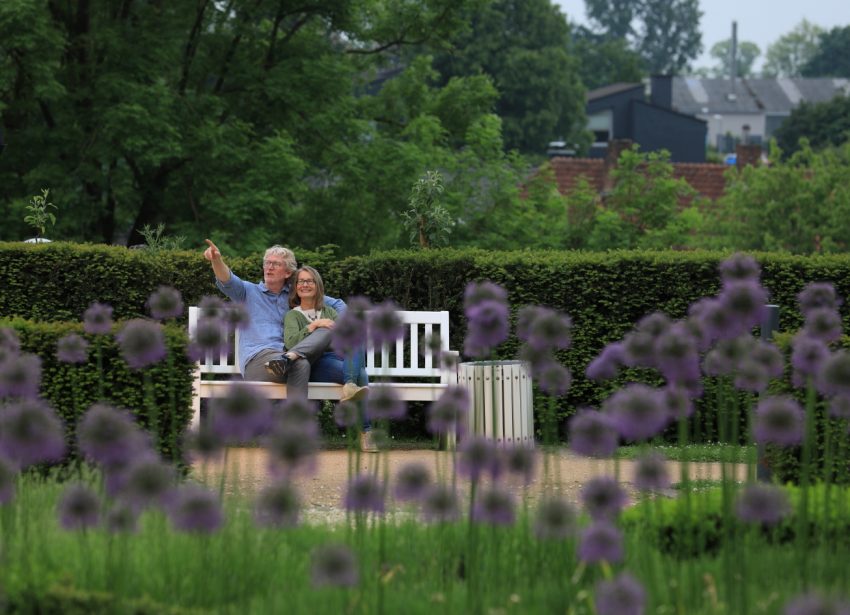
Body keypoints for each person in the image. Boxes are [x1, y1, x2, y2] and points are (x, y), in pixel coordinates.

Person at [202, 239, 344, 396]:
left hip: (296, 357)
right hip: (259, 360)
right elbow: (227, 279)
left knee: (346, 370)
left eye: (275, 264)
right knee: (300, 363)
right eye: (267, 263)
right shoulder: (247, 292)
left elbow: (338, 304)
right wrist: (216, 260)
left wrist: (333, 324)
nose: (269, 267)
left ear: (288, 273)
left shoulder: (296, 294)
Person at [281, 266, 369, 403]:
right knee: (361, 375)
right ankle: (364, 422)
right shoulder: (292, 315)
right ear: (296, 287)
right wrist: (313, 326)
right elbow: (291, 343)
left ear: (318, 285)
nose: (305, 285)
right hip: (316, 362)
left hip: (340, 359)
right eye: (301, 281)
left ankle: (350, 385)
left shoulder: (330, 311)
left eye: (310, 281)